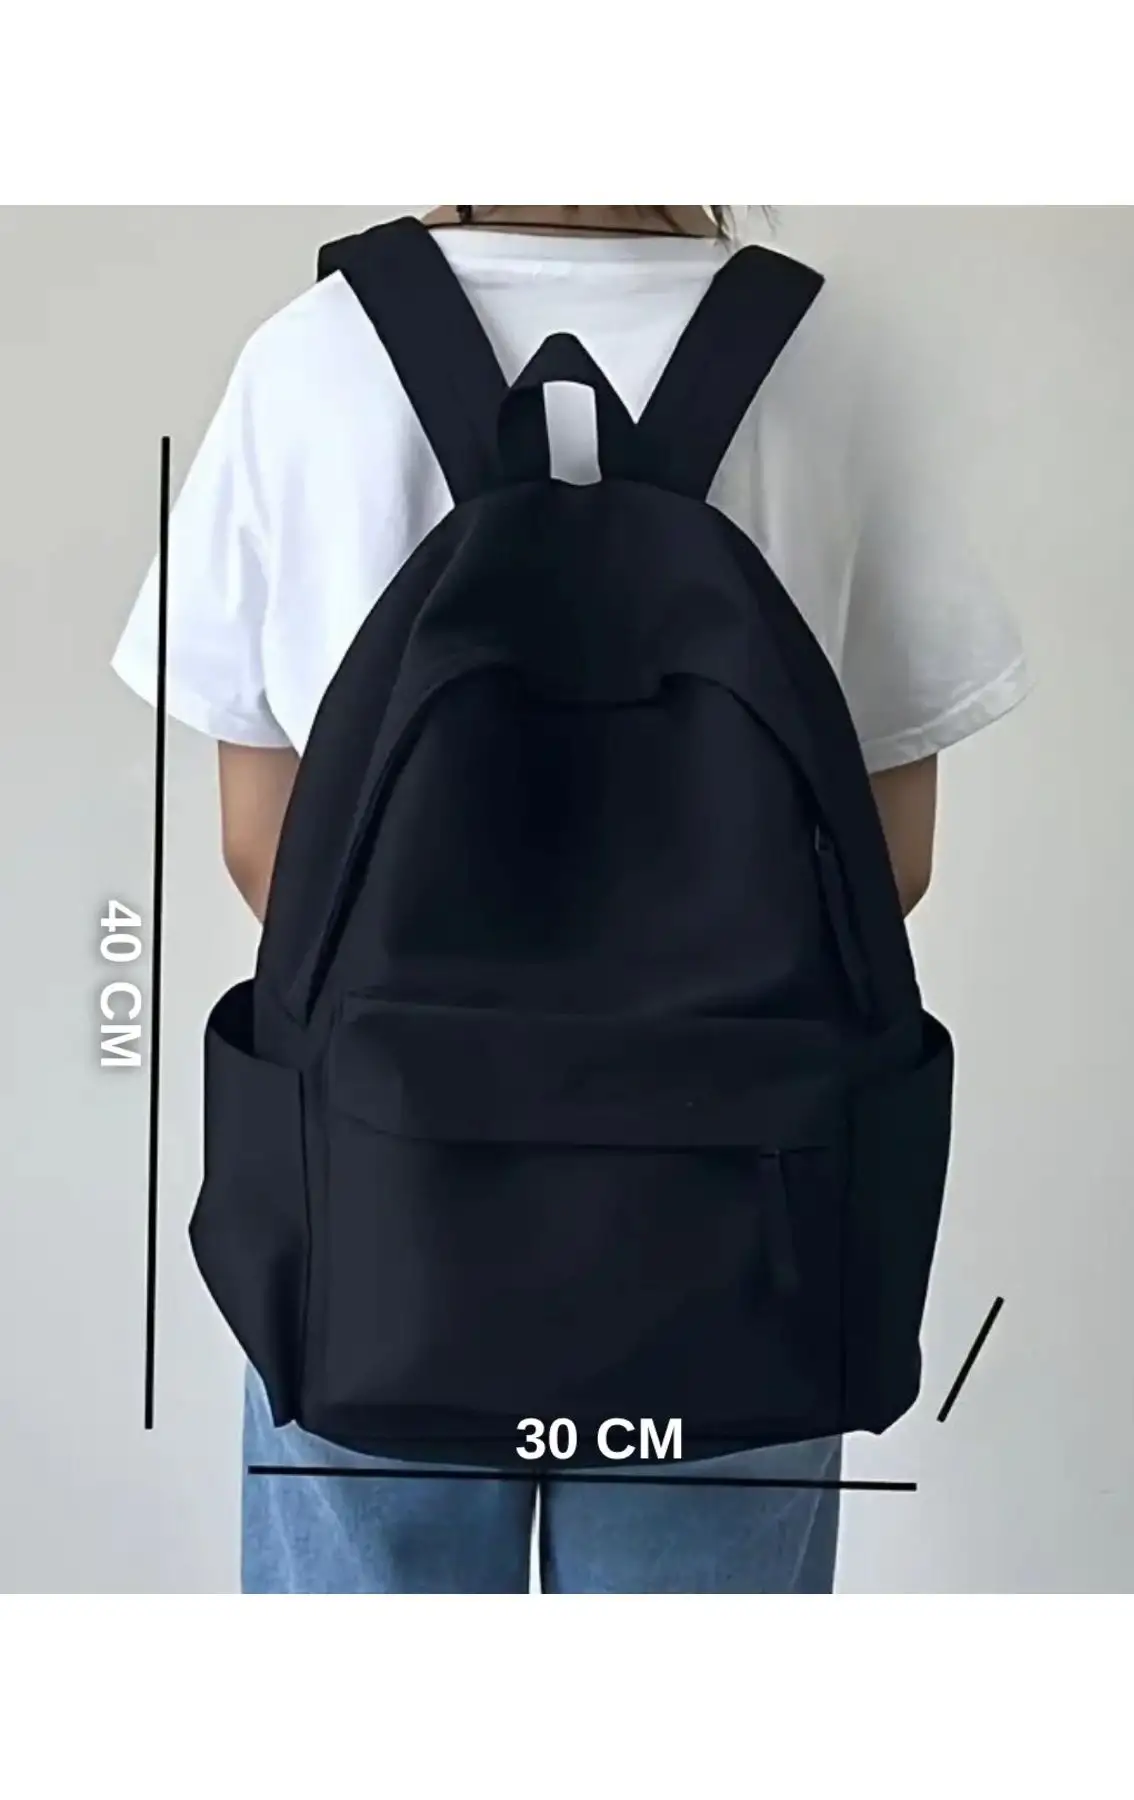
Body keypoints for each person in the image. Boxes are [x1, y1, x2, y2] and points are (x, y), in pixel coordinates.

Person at [111, 203, 1031, 1593]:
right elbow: (887, 864)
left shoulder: (312, 358)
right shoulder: (832, 365)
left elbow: (266, 857)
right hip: (741, 1225)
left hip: (381, 1211)